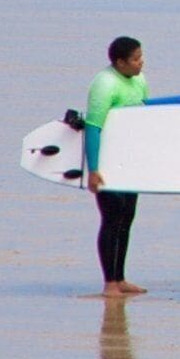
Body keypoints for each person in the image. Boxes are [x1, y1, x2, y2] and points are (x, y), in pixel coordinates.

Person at [71, 36, 149, 298]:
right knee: (112, 220)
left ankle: (121, 277)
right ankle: (109, 282)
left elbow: (145, 119)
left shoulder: (139, 80)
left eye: (141, 57)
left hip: (131, 163)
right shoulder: (104, 84)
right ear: (120, 62)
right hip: (107, 165)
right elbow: (93, 128)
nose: (141, 63)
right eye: (136, 59)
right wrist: (93, 169)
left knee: (127, 218)